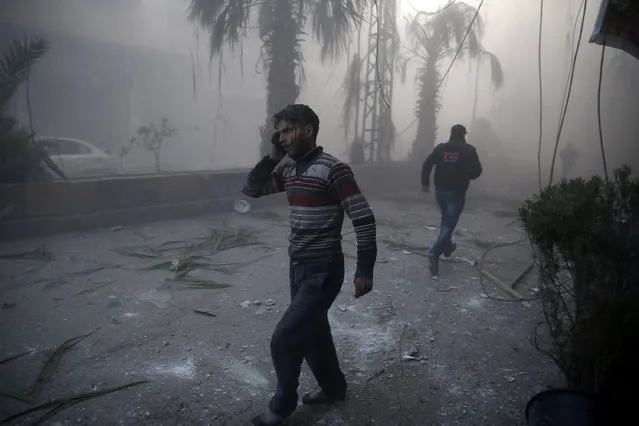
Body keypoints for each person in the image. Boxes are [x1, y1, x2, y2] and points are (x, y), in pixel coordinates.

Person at [242, 104, 377, 426]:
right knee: (314, 332)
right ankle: (334, 388)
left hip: (323, 269)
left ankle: (282, 404)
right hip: (298, 266)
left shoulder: (334, 170)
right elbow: (251, 190)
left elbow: (363, 218)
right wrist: (274, 156)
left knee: (285, 339)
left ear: (308, 130)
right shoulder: (291, 170)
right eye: (280, 132)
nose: (282, 137)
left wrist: (365, 269)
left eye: (288, 131)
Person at [421, 124, 482, 279]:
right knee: (448, 224)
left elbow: (427, 164)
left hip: (440, 192)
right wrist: (467, 174)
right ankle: (434, 253)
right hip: (456, 193)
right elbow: (477, 172)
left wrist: (425, 183)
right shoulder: (469, 150)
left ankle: (447, 247)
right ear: (463, 135)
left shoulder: (441, 148)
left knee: (446, 221)